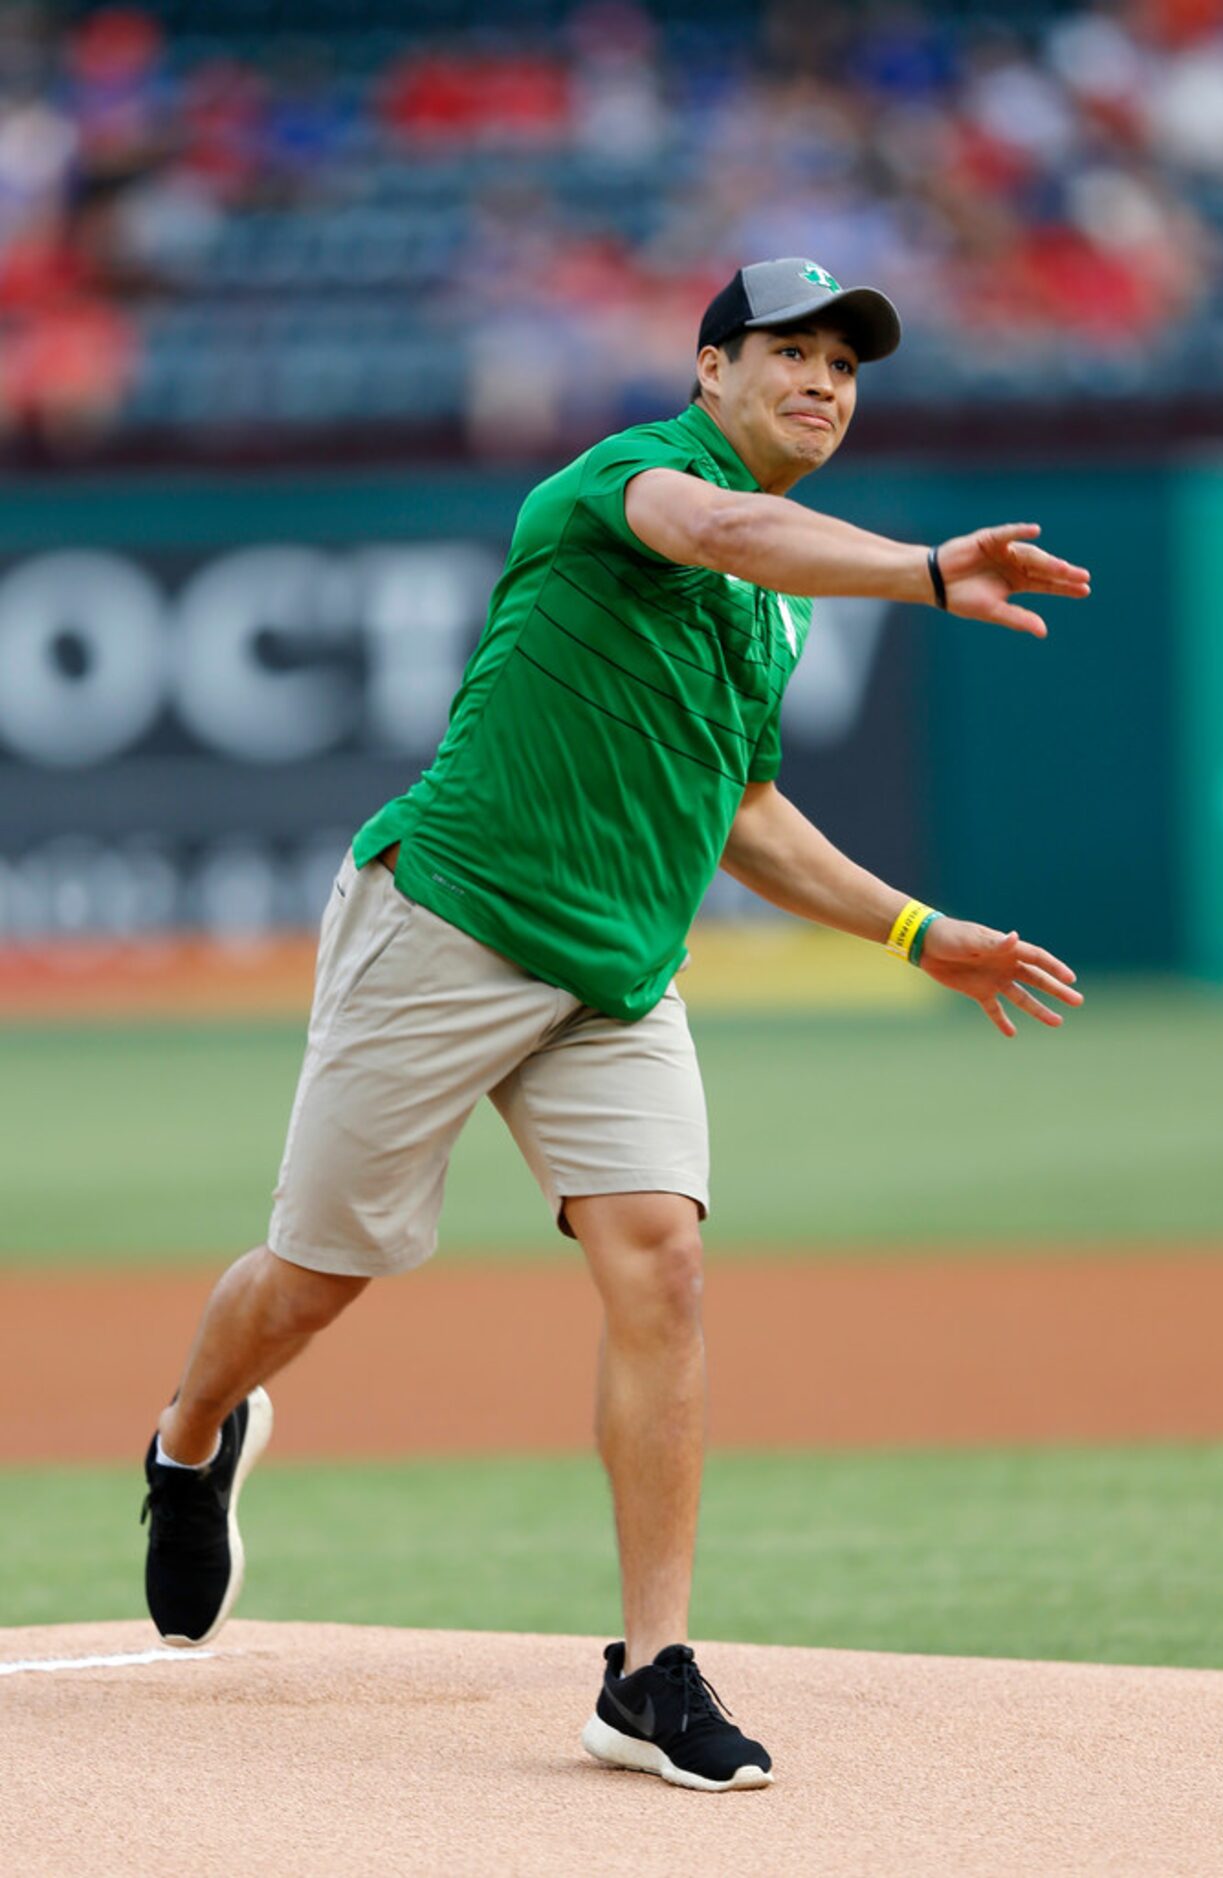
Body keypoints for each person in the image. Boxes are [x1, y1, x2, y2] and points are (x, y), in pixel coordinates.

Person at [139, 256, 1089, 1793]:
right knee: (321, 1272)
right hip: (446, 921)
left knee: (664, 1259)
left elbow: (749, 816)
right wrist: (920, 569)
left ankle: (647, 1674)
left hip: (618, 978)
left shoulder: (769, 620)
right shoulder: (632, 480)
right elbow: (717, 526)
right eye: (788, 350)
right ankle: (189, 1435)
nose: (824, 383)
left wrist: (919, 933)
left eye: (847, 366)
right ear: (708, 370)